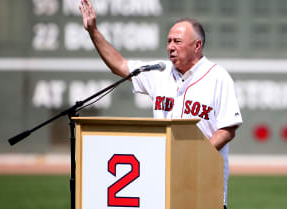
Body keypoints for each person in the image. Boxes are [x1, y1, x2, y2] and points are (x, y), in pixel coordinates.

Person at [79, 0, 243, 208]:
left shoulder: (218, 77)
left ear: (197, 45)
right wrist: (93, 31)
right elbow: (120, 65)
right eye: (169, 41)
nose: (171, 47)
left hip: (203, 179)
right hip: (162, 180)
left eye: (177, 41)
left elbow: (228, 129)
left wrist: (195, 156)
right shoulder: (159, 72)